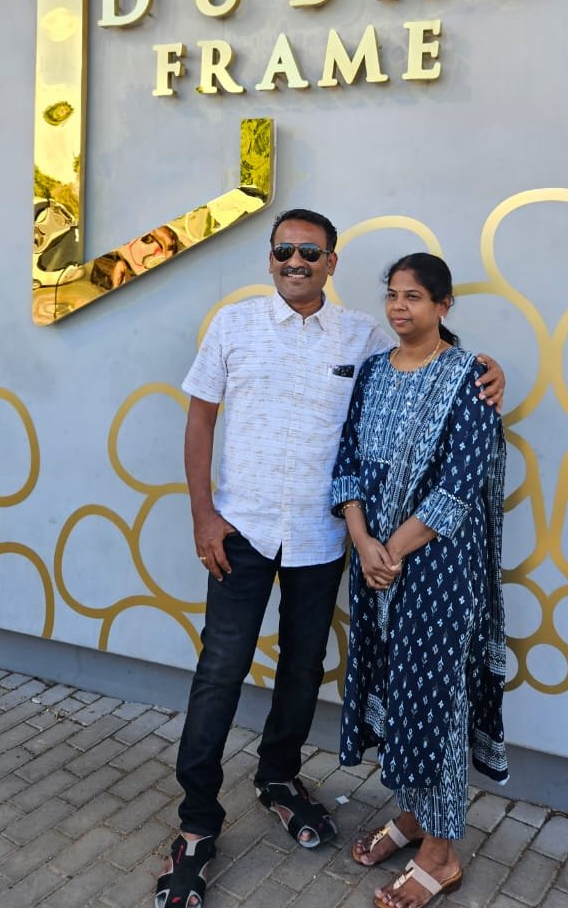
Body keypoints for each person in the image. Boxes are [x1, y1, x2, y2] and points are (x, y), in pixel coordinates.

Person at [155, 213, 505, 908]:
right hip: (241, 532)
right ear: (270, 257)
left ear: (330, 262)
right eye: (284, 250)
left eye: (309, 252)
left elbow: (428, 355)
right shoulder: (233, 325)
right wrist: (202, 515)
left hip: (318, 541)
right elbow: (200, 419)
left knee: (302, 666)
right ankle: (197, 819)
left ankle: (278, 777)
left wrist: (487, 370)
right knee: (220, 669)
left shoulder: (361, 336)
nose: (296, 261)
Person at [332, 252, 508, 908]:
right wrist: (362, 541)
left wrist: (392, 550)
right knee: (398, 692)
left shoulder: (469, 378)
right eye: (393, 295)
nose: (399, 307)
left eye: (414, 296)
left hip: (436, 570)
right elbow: (347, 459)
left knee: (435, 700)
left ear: (443, 305)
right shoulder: (374, 372)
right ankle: (413, 817)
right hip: (375, 565)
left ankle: (441, 854)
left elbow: (460, 482)